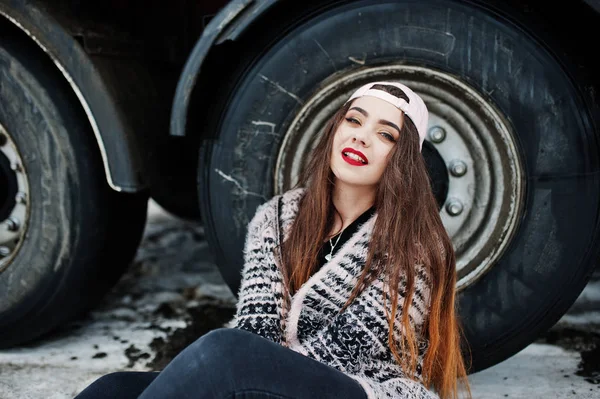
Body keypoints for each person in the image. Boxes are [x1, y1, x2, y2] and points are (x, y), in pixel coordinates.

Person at [73, 81, 471, 399]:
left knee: (224, 356)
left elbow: (344, 350)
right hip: (272, 380)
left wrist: (242, 378)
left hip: (363, 389)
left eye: (385, 134)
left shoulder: (414, 246)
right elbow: (256, 329)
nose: (361, 138)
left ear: (400, 159)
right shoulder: (278, 219)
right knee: (114, 389)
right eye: (354, 120)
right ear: (335, 129)